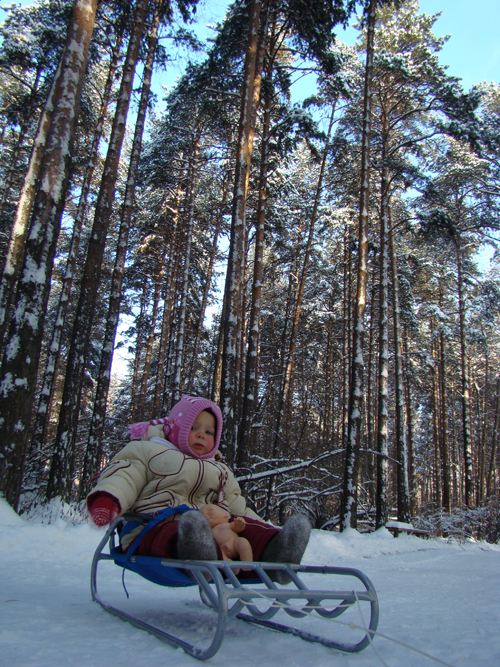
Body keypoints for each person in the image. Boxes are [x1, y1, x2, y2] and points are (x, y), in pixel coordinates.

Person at [87, 395, 311, 582]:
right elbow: (124, 475)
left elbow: (237, 506)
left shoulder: (219, 468)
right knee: (176, 532)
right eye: (193, 428)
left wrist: (260, 528)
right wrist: (107, 500)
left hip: (217, 532)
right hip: (154, 527)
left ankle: (278, 554)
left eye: (209, 432)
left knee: (249, 532)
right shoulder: (148, 451)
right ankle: (198, 552)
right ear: (174, 429)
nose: (202, 434)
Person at [200, 504, 253, 573]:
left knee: (243, 542)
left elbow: (237, 528)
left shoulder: (227, 525)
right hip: (221, 550)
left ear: (225, 514)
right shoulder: (209, 532)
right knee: (217, 553)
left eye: (210, 510)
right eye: (202, 515)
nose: (206, 514)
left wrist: (239, 524)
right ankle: (231, 566)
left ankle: (247, 567)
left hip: (234, 543)